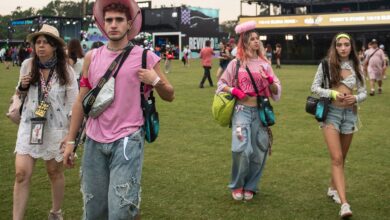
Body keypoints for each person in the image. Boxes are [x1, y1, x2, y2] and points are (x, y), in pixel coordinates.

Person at [62, 0, 174, 219]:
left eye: (119, 20)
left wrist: (156, 81)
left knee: (120, 209)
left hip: (127, 141)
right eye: (109, 20)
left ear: (129, 23)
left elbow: (170, 94)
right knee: (93, 209)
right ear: (103, 24)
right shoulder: (92, 58)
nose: (113, 25)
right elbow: (81, 101)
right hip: (94, 140)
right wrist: (70, 140)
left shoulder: (145, 56)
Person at [12, 24, 78, 220]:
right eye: (38, 42)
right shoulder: (27, 65)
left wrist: (70, 135)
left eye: (45, 43)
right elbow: (19, 94)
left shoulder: (66, 70)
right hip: (30, 123)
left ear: (55, 46)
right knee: (21, 173)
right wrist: (22, 87)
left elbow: (74, 104)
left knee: (53, 172)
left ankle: (56, 212)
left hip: (56, 127)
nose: (40, 46)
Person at [216, 20, 281, 201]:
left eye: (257, 39)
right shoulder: (235, 64)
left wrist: (269, 79)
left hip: (260, 114)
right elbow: (221, 85)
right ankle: (237, 185)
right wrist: (234, 90)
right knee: (240, 149)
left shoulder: (264, 64)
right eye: (252, 39)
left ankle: (251, 186)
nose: (256, 42)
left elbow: (277, 90)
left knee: (259, 152)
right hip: (240, 112)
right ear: (244, 42)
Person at [311, 33, 367, 218]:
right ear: (335, 47)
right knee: (336, 158)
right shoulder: (326, 64)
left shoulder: (357, 65)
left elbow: (364, 91)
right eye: (339, 45)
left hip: (350, 115)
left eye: (346, 45)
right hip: (331, 115)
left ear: (351, 47)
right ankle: (344, 204)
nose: (343, 48)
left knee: (341, 158)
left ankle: (332, 188)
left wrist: (356, 97)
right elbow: (315, 87)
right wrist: (333, 94)